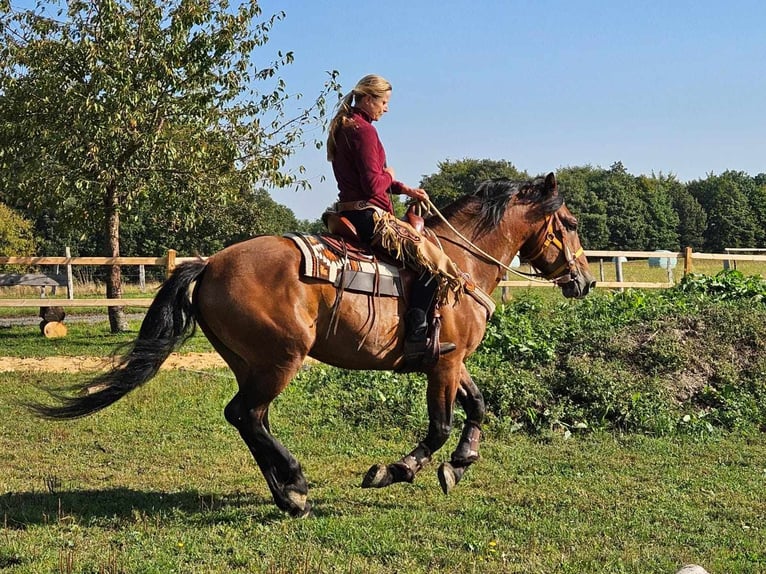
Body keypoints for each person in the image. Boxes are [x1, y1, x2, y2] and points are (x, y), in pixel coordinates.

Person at [326, 74, 461, 365]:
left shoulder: (346, 127)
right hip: (369, 215)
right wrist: (392, 176)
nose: (386, 109)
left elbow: (368, 177)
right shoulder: (365, 132)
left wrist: (404, 189)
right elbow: (375, 184)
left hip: (349, 210)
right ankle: (416, 337)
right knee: (431, 264)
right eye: (384, 102)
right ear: (367, 99)